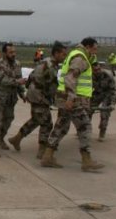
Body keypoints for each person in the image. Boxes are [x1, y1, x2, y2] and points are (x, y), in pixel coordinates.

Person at [41, 37, 104, 172]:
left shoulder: (74, 55)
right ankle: (86, 161)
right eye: (94, 48)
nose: (95, 51)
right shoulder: (80, 58)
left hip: (66, 98)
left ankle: (48, 156)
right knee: (85, 127)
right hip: (75, 100)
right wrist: (71, 97)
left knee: (61, 127)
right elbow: (70, 77)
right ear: (87, 46)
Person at [7, 42, 67, 158]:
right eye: (63, 55)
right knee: (47, 123)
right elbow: (52, 87)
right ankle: (42, 150)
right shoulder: (50, 66)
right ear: (56, 53)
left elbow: (32, 75)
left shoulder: (47, 62)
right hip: (39, 96)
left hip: (35, 93)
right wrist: (60, 99)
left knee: (36, 119)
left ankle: (16, 139)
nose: (65, 57)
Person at [0, 43, 26, 157]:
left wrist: (22, 94)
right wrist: (17, 82)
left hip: (11, 98)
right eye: (11, 52)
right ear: (4, 53)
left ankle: (1, 138)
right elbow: (3, 81)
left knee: (8, 119)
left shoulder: (17, 64)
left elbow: (19, 79)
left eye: (14, 52)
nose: (13, 54)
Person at [90, 61, 116, 141]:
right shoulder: (89, 76)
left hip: (108, 94)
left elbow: (113, 91)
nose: (97, 71)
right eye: (95, 70)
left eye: (99, 69)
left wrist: (112, 103)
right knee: (87, 111)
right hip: (96, 93)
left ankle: (102, 132)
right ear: (92, 70)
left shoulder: (108, 76)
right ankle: (84, 129)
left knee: (104, 113)